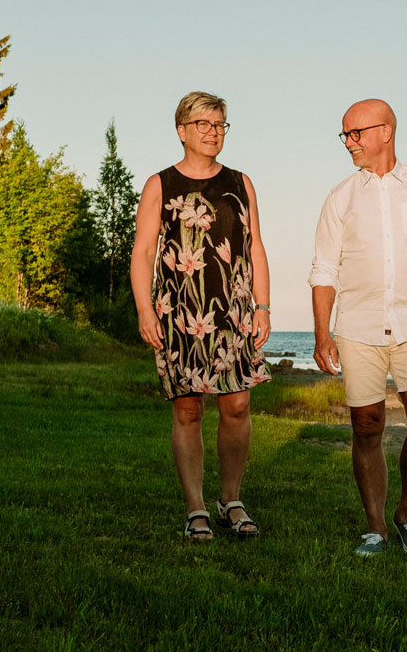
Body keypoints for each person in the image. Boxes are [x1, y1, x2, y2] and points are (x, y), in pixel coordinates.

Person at [309, 99, 407, 558]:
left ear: (386, 131)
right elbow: (323, 270)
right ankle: (375, 526)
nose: (349, 142)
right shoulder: (340, 197)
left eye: (356, 133)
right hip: (357, 325)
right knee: (367, 424)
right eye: (345, 135)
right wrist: (322, 333)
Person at [130, 91, 272, 541]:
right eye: (204, 125)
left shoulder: (240, 182)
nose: (214, 133)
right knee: (187, 411)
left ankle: (230, 500)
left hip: (232, 312)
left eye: (220, 125)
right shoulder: (161, 184)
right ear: (182, 131)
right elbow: (143, 252)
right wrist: (145, 310)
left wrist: (262, 307)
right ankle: (195, 508)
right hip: (178, 312)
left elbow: (254, 249)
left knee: (238, 404)